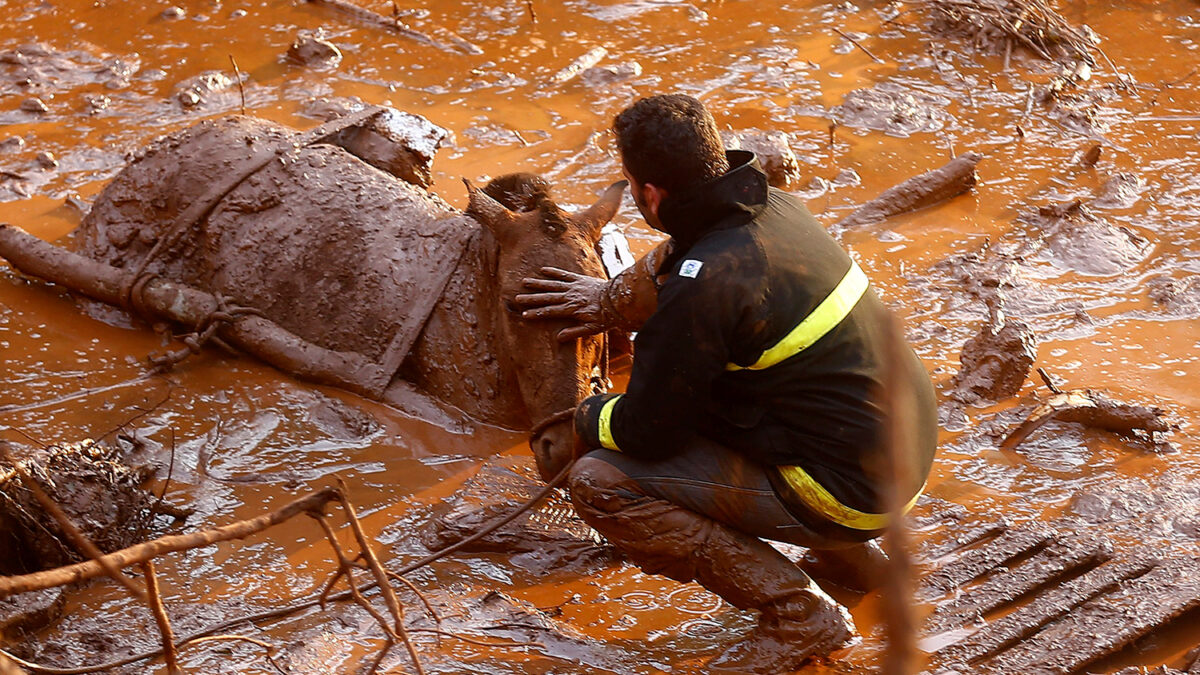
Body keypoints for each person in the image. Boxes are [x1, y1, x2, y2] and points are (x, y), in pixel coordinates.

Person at [515, 94, 937, 673]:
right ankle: (862, 567)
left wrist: (586, 418)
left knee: (600, 478)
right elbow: (675, 259)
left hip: (846, 493)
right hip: (901, 456)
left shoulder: (705, 287)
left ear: (649, 194)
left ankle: (796, 614)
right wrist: (610, 300)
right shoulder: (774, 210)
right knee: (775, 397)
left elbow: (648, 431)